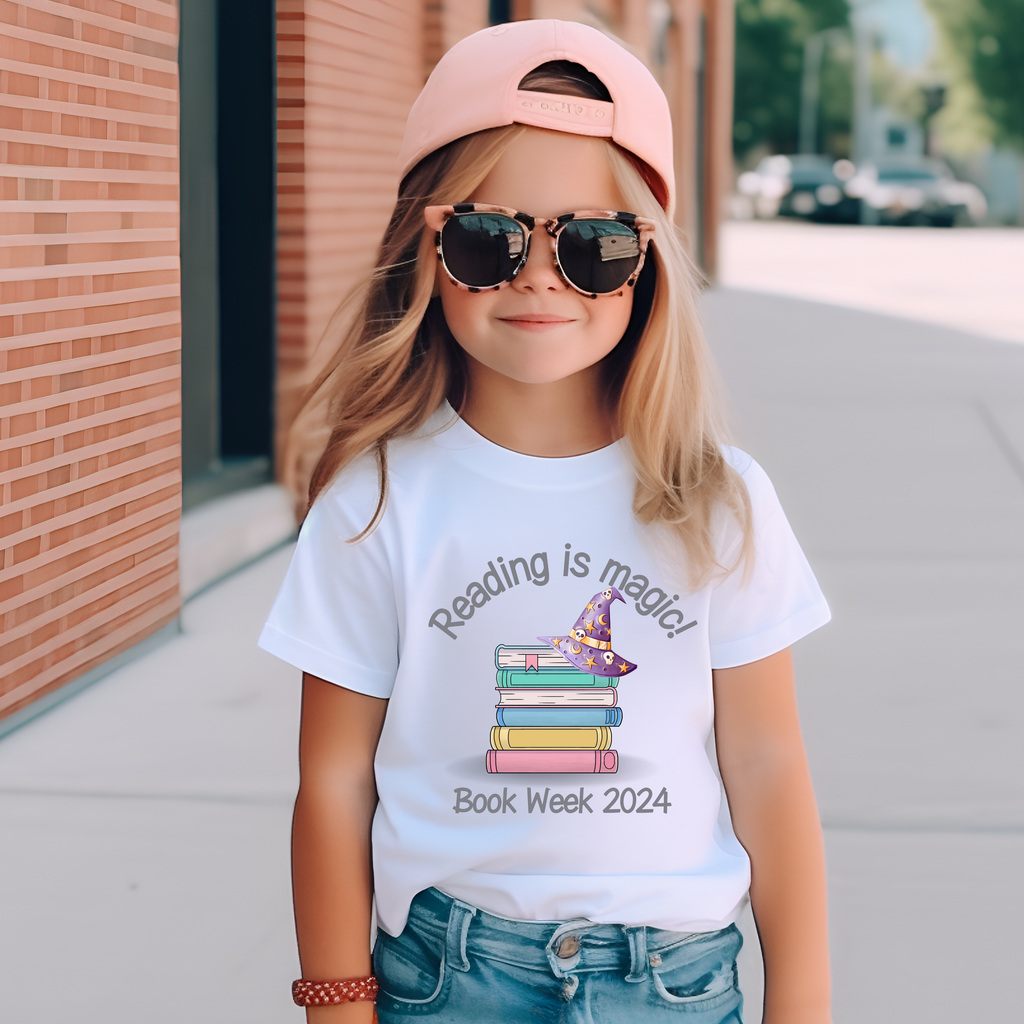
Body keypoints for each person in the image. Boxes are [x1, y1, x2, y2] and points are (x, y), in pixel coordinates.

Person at [259, 19, 833, 1024]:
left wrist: (805, 1002)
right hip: (448, 976)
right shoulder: (376, 501)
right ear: (427, 245)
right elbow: (335, 778)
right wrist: (335, 1002)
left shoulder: (717, 498)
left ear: (644, 261)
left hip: (674, 981)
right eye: (489, 237)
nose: (539, 275)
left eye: (592, 245)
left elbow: (766, 762)